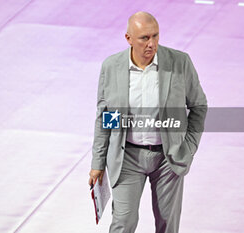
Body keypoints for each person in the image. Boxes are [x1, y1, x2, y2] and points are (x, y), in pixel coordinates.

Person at [88, 11, 207, 233]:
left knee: (167, 225)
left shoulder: (180, 63)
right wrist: (98, 162)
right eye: (144, 38)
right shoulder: (111, 67)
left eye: (155, 36)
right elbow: (106, 117)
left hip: (167, 158)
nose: (151, 44)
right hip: (127, 158)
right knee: (123, 222)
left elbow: (199, 107)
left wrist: (188, 148)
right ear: (128, 39)